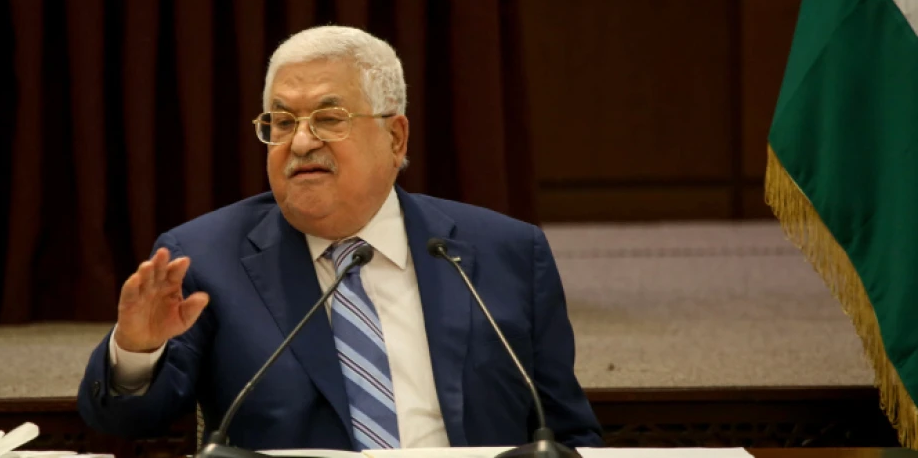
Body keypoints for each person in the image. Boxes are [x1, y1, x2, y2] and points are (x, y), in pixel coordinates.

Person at [77, 26, 603, 451]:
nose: (301, 141)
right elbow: (129, 422)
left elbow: (565, 433)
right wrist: (137, 352)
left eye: (328, 118)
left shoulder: (504, 251)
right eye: (281, 122)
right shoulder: (209, 257)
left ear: (395, 138)